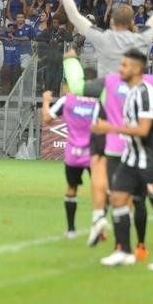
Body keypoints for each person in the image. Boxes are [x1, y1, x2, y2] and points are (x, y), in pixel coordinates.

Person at [55, 0, 153, 245]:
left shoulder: (103, 37)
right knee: (137, 174)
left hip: (107, 106)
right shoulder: (142, 37)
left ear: (111, 21)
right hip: (136, 108)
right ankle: (140, 234)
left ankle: (99, 217)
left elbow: (74, 17)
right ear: (133, 22)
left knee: (99, 166)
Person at [91, 48, 153, 271]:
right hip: (131, 158)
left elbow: (143, 130)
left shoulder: (146, 93)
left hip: (152, 161)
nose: (120, 69)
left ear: (137, 69)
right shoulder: (131, 92)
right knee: (118, 198)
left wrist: (108, 127)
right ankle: (124, 251)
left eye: (124, 66)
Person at [41, 86, 98, 239]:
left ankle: (71, 229)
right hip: (94, 153)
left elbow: (47, 118)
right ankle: (98, 225)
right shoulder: (98, 102)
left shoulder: (68, 100)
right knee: (99, 189)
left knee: (71, 188)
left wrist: (46, 101)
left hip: (74, 154)